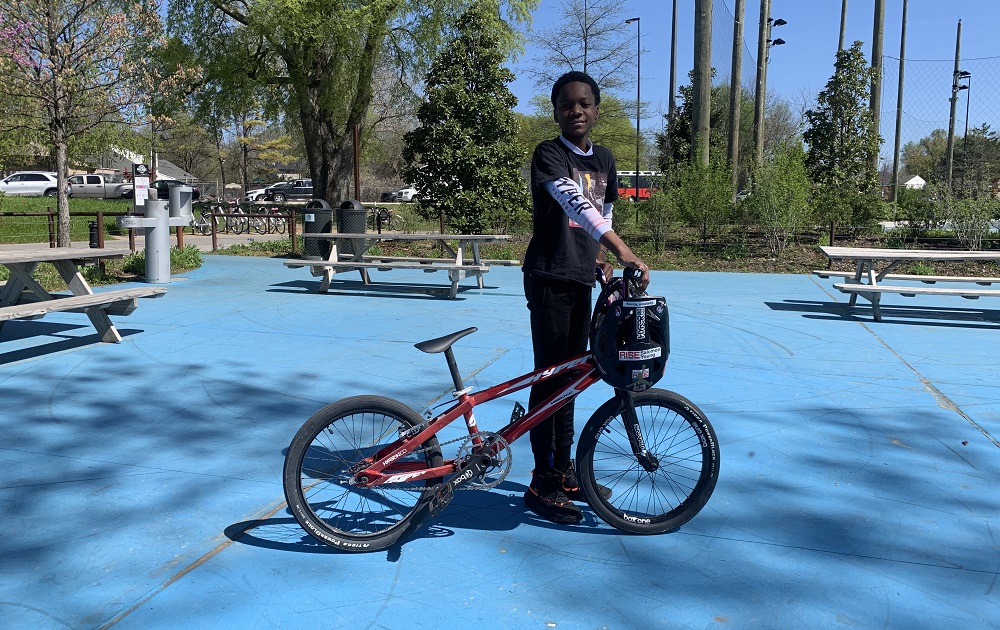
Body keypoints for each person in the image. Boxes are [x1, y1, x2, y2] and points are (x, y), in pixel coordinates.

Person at [521, 70, 650, 524]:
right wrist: (623, 249)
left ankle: (564, 467)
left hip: (579, 277)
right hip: (549, 276)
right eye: (565, 104)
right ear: (555, 111)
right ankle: (542, 478)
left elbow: (605, 210)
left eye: (583, 103)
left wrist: (599, 259)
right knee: (549, 377)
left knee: (574, 377)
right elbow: (576, 203)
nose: (575, 110)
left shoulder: (606, 159)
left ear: (597, 110)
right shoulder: (549, 154)